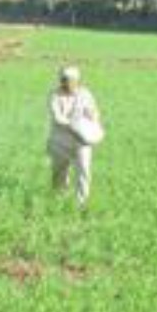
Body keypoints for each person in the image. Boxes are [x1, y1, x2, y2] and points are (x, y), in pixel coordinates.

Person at [47, 66, 101, 207]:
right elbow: (57, 117)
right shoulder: (55, 95)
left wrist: (93, 121)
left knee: (84, 171)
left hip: (81, 141)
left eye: (70, 81)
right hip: (60, 140)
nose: (67, 83)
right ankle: (59, 199)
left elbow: (93, 111)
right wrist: (74, 125)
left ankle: (82, 203)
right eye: (64, 80)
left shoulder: (85, 94)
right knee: (59, 172)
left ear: (77, 81)